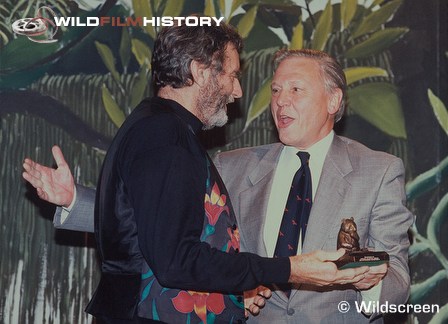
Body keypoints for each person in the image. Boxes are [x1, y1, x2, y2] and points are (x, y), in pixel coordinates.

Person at [23, 24, 368, 324]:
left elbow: (149, 224)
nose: (238, 91)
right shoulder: (166, 136)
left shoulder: (159, 126)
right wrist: (289, 268)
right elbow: (175, 260)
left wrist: (234, 294)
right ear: (200, 72)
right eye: (232, 75)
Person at [213, 49, 413, 323]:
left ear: (333, 101)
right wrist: (232, 293)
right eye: (275, 90)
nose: (281, 100)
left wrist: (370, 281)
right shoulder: (230, 168)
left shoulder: (379, 172)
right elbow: (203, 261)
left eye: (296, 89)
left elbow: (398, 282)